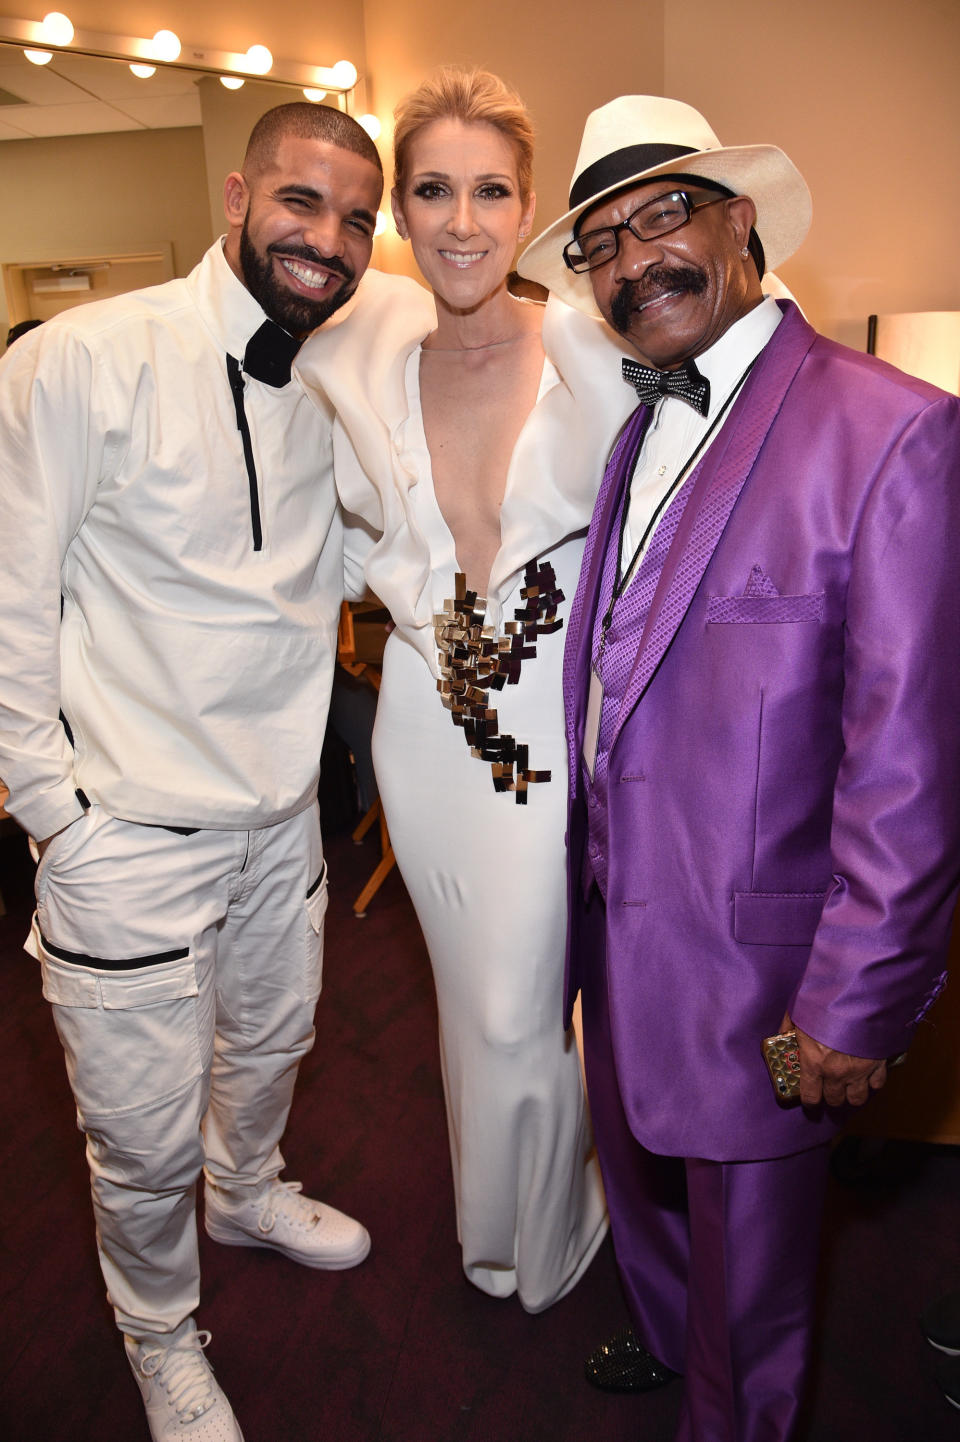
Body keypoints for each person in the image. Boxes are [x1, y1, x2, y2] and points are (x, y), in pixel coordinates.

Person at [518, 95, 960, 1439]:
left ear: (743, 220)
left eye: (667, 213)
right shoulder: (634, 428)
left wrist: (856, 996)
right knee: (651, 1189)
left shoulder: (896, 432)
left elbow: (912, 756)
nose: (634, 256)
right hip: (622, 923)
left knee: (761, 1283)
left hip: (766, 960)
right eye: (601, 240)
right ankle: (665, 1332)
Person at [0, 103, 384, 1442]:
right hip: (131, 835)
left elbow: (324, 564)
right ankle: (161, 1333)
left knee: (275, 1045)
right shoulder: (79, 359)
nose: (325, 239)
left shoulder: (335, 379)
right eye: (301, 201)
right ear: (238, 192)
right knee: (141, 1139)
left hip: (282, 825)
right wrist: (57, 816)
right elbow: (10, 601)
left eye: (353, 217)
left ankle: (251, 1191)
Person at [298, 68, 633, 1311]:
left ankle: (544, 1231)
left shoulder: (599, 350)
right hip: (429, 739)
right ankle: (512, 1214)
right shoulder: (361, 368)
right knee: (478, 1005)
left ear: (530, 205)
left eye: (491, 190)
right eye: (432, 189)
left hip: (562, 726)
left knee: (529, 1002)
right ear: (400, 212)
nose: (460, 221)